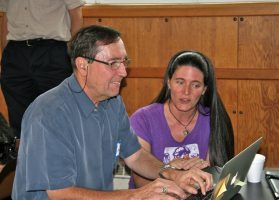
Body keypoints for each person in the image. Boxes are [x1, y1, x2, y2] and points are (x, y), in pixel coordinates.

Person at [12, 25, 213, 199]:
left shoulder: (112, 102)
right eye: (113, 63)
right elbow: (60, 193)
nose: (123, 72)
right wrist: (137, 195)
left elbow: (135, 156)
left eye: (124, 62)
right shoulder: (48, 113)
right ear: (83, 65)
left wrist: (172, 173)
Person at [129, 50, 234, 188]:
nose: (186, 92)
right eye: (180, 82)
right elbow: (140, 182)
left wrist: (203, 172)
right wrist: (171, 169)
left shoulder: (213, 120)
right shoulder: (143, 119)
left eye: (195, 85)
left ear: (204, 90)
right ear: (168, 83)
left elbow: (218, 179)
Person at [0, 0, 84, 139]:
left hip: (52, 51)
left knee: (57, 112)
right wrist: (5, 53)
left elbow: (76, 13)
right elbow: (5, 17)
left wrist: (71, 52)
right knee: (18, 116)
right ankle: (23, 158)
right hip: (16, 52)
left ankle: (58, 158)